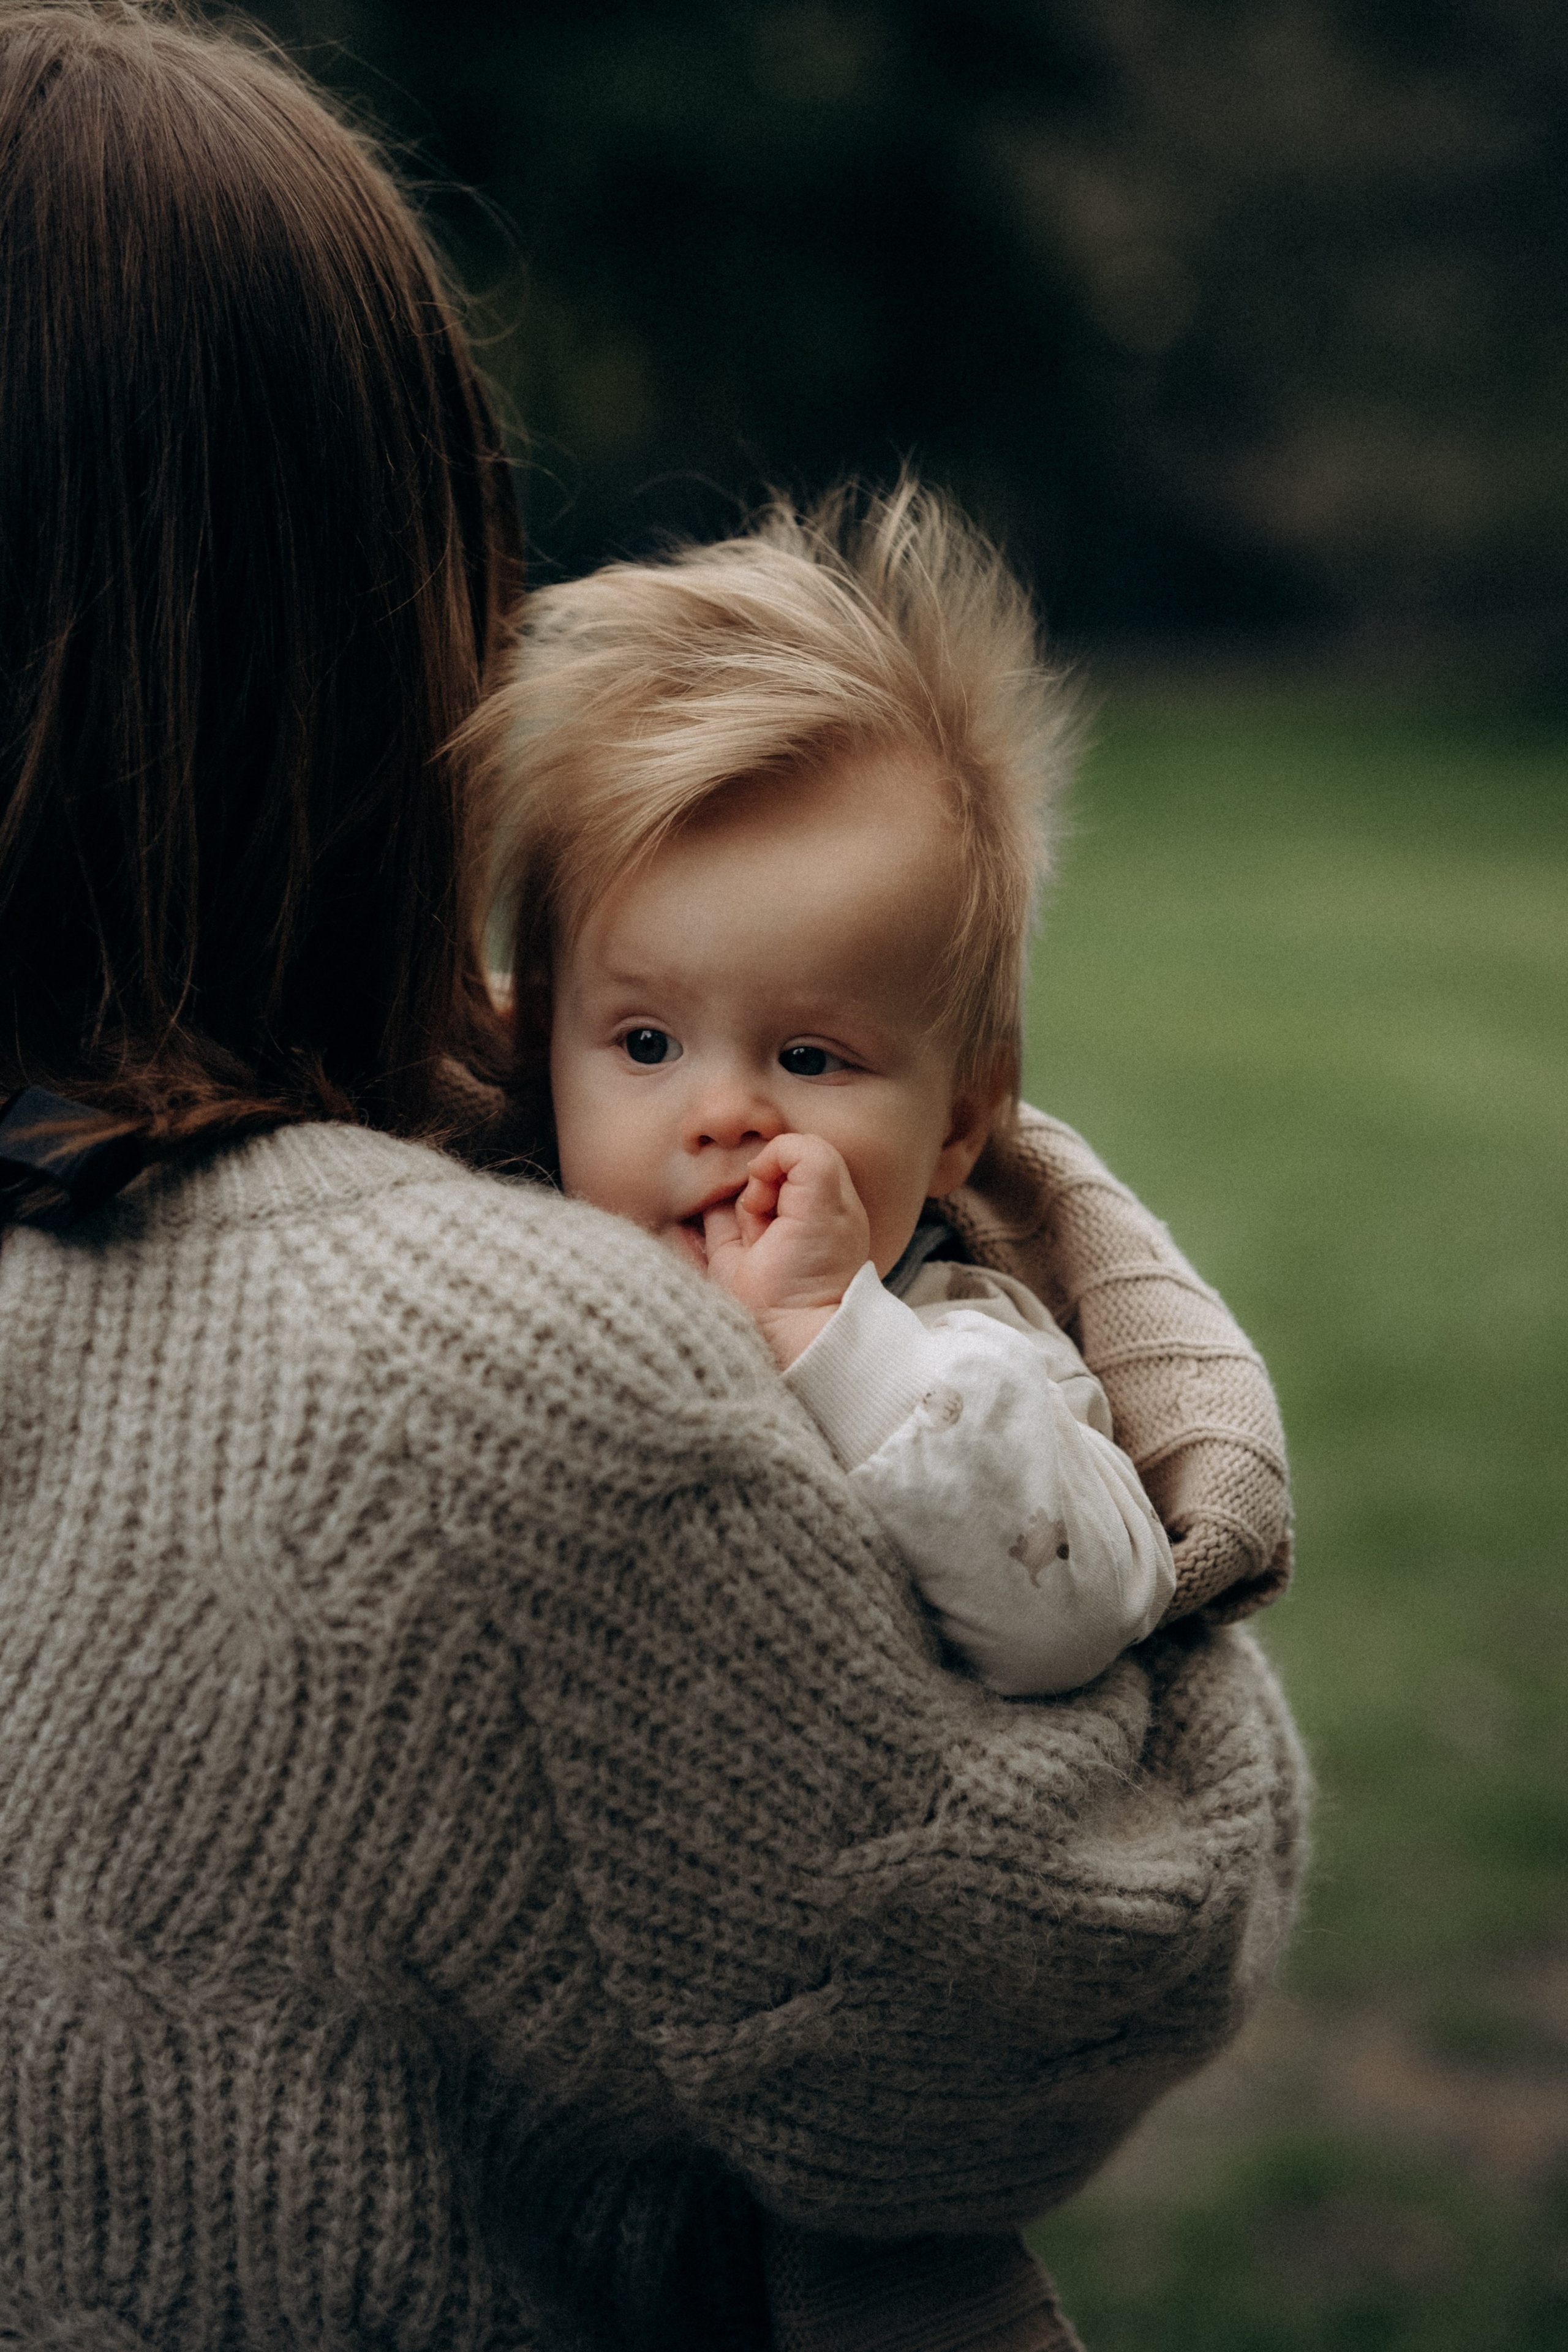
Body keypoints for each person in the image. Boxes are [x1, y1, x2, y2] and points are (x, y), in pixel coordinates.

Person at [0, 9, 1307, 2352]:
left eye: (809, 1053)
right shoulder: (510, 1374)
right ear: (377, 596)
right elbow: (1061, 1975)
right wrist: (1046, 1259)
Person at [489, 481, 1182, 1705]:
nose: (725, 1115)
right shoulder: (492, 1250)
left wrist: (833, 1335)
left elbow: (1075, 1615)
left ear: (958, 1122)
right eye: (646, 1043)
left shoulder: (965, 1350)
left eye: (809, 1059)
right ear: (541, 1040)